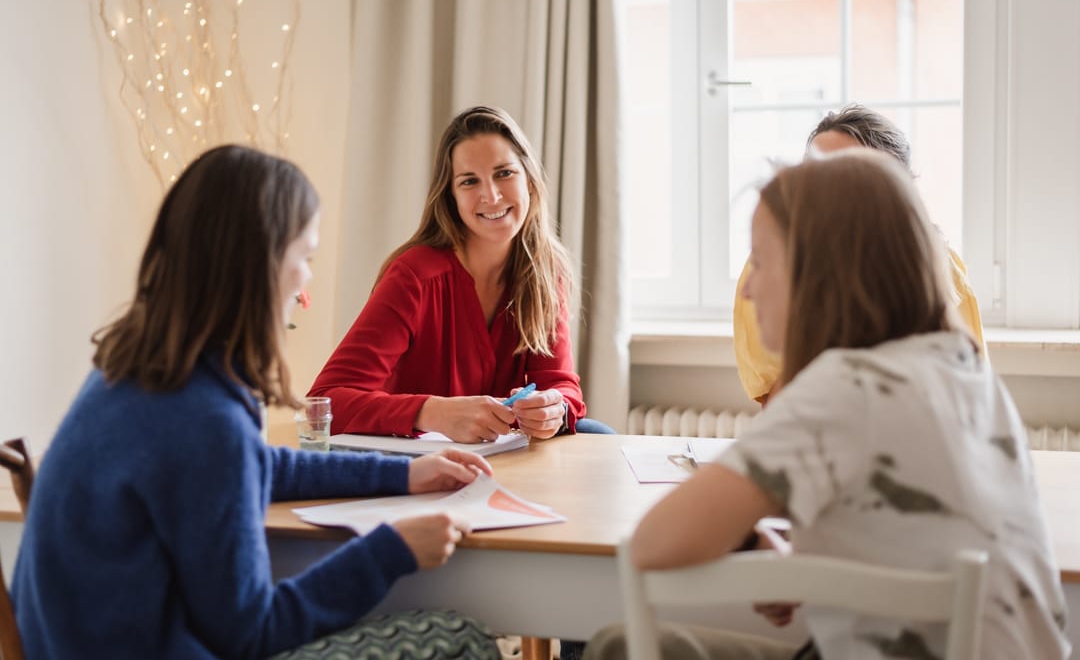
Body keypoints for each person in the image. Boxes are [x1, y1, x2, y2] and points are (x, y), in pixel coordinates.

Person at [12, 145, 501, 660]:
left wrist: (402, 474)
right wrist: (391, 550)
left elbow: (250, 465)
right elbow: (251, 633)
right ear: (262, 266)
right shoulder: (206, 416)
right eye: (305, 258)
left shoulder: (132, 369)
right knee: (459, 636)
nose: (308, 279)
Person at [584, 150, 1070, 660]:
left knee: (617, 646)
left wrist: (751, 539)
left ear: (817, 272)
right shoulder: (965, 370)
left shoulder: (846, 387)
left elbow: (654, 544)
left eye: (761, 260)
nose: (747, 288)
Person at [311, 105, 614, 442]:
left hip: (500, 450)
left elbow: (560, 384)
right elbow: (326, 401)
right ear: (451, 197)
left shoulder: (545, 271)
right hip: (417, 458)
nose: (491, 195)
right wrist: (432, 412)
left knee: (598, 434)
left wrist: (553, 408)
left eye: (504, 173)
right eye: (470, 181)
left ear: (529, 179)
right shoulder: (413, 276)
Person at [733, 104, 985, 405]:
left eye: (839, 179)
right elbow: (779, 409)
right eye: (813, 176)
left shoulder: (944, 271)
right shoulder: (772, 267)